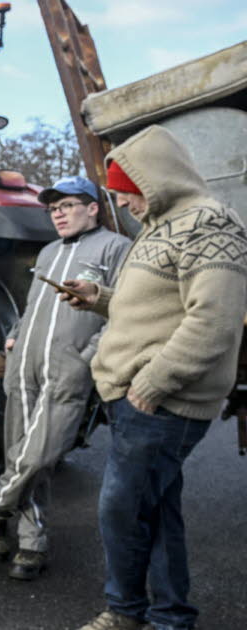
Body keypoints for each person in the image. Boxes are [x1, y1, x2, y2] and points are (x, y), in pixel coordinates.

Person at [58, 126, 247, 630]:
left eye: (127, 189)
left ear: (157, 179)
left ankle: (124, 612)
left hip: (162, 400)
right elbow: (149, 306)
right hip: (134, 395)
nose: (120, 200)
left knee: (120, 511)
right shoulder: (161, 226)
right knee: (156, 513)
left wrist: (152, 384)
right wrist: (97, 297)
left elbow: (215, 321)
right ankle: (170, 617)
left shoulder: (210, 223)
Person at [0, 176, 130, 581]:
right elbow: (32, 306)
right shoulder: (47, 252)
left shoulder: (117, 248)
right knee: (21, 457)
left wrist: (88, 357)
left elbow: (124, 312)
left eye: (66, 206)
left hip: (68, 369)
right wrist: (13, 334)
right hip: (24, 365)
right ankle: (32, 545)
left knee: (42, 454)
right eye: (53, 208)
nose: (57, 214)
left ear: (93, 207)